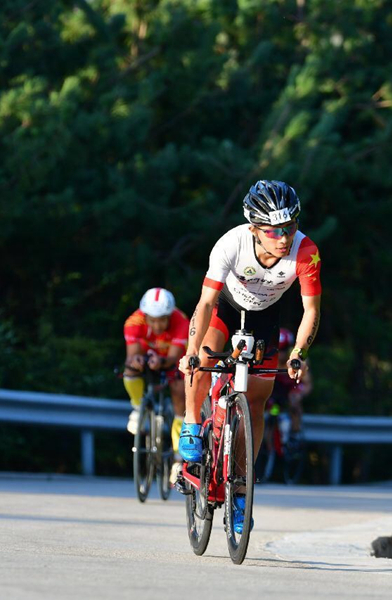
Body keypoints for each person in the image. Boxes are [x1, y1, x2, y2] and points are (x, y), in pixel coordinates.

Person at [178, 180, 322, 533]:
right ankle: (192, 424)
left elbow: (311, 310)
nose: (284, 238)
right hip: (225, 308)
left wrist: (299, 353)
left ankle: (240, 491)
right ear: (255, 229)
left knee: (257, 401)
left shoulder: (306, 252)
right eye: (274, 230)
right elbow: (206, 303)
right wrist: (191, 353)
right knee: (202, 361)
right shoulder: (231, 243)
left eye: (290, 226)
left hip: (265, 318)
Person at [123, 287, 188, 482]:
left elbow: (173, 357)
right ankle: (137, 407)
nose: (157, 325)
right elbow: (131, 355)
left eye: (162, 319)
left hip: (173, 359)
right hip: (148, 355)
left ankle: (178, 458)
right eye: (152, 320)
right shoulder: (134, 322)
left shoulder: (181, 321)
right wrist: (137, 362)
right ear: (145, 316)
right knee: (130, 370)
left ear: (170, 316)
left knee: (179, 392)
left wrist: (162, 362)